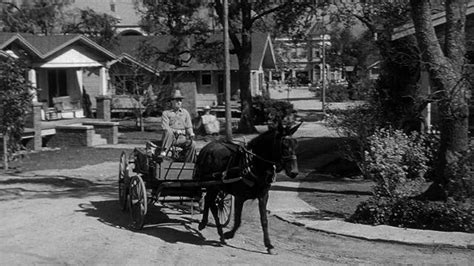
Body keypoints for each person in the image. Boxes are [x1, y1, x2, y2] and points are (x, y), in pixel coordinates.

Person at [160, 89, 196, 162]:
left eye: (180, 100)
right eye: (177, 100)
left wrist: (191, 133)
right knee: (168, 131)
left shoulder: (185, 113)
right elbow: (165, 127)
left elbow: (188, 126)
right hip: (171, 139)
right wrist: (175, 131)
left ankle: (188, 163)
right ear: (171, 101)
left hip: (182, 138)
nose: (179, 102)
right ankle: (164, 151)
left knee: (193, 144)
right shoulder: (166, 113)